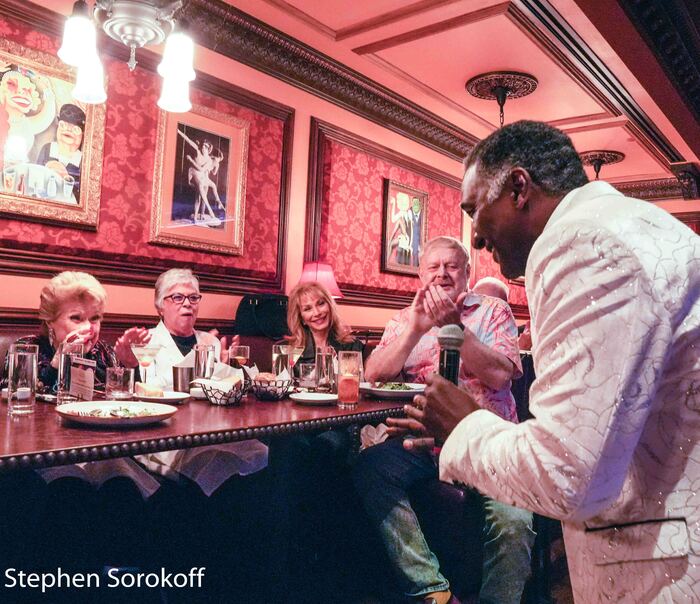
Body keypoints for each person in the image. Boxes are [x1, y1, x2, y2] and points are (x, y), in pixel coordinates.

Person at [404, 120, 700, 602]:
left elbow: (569, 474)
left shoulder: (579, 243)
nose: (475, 239)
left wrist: (463, 425)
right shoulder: (632, 223)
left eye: (475, 211)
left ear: (519, 188)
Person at [354, 236, 534, 604]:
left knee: (514, 523)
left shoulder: (493, 311)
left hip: (487, 443)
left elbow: (501, 375)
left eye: (451, 266)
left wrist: (456, 329)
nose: (442, 274)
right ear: (421, 274)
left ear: (467, 273)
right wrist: (415, 330)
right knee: (370, 468)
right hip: (422, 442)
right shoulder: (407, 318)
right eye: (434, 267)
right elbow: (373, 374)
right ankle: (432, 590)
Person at [287, 280, 364, 368]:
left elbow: (354, 379)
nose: (317, 313)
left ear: (330, 306)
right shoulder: (289, 350)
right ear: (301, 318)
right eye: (307, 309)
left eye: (321, 304)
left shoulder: (351, 345)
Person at [36, 102, 85, 200]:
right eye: (63, 125)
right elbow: (36, 175)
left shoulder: (82, 160)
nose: (68, 130)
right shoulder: (47, 148)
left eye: (75, 129)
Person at [177, 129, 225, 226]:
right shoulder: (198, 151)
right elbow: (188, 140)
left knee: (202, 197)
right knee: (199, 194)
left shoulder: (209, 160)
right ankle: (203, 214)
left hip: (203, 177)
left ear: (209, 149)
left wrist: (191, 160)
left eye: (205, 147)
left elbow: (206, 169)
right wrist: (178, 131)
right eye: (202, 146)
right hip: (195, 175)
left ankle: (202, 214)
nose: (203, 148)